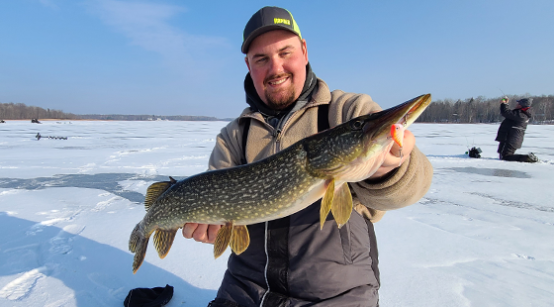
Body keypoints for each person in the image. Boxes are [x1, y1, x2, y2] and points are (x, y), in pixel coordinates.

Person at [182, 6, 433, 307]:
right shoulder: (235, 136)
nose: (276, 68)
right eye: (262, 59)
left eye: (285, 52)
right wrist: (213, 228)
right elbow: (220, 211)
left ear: (303, 50)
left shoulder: (348, 111)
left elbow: (410, 190)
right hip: (244, 293)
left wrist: (391, 166)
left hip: (335, 298)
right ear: (249, 65)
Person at [495, 97, 539, 163]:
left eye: (518, 103)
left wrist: (504, 104)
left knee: (505, 157)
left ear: (521, 105)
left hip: (509, 139)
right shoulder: (522, 114)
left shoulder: (521, 115)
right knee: (505, 155)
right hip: (513, 139)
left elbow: (506, 113)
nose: (517, 104)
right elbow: (509, 113)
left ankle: (527, 158)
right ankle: (527, 158)